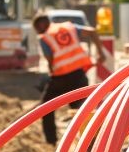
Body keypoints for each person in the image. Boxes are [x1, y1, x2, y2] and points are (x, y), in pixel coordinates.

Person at [32, 13, 105, 145]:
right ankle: (90, 144)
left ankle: (51, 141)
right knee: (83, 112)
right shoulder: (68, 27)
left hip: (60, 79)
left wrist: (50, 71)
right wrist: (101, 52)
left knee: (46, 108)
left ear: (38, 27)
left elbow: (50, 61)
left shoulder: (44, 38)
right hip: (78, 76)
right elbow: (92, 32)